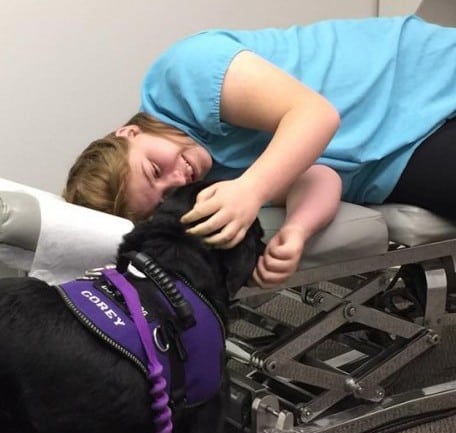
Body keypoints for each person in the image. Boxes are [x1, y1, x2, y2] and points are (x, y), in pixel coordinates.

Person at [64, 14, 456, 286]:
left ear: (128, 132)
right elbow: (320, 175)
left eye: (153, 169)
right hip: (393, 160)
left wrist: (252, 189)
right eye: (164, 194)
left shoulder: (184, 72)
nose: (178, 179)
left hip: (416, 78)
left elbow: (316, 115)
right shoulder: (209, 181)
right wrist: (297, 230)